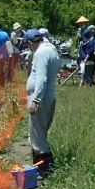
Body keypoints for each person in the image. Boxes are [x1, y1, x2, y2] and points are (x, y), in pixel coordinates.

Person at [24, 27, 60, 176]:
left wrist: (36, 100)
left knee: (38, 138)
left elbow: (41, 78)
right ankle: (39, 168)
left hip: (41, 97)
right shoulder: (51, 49)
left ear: (31, 42)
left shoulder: (40, 53)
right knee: (40, 134)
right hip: (48, 96)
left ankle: (46, 170)